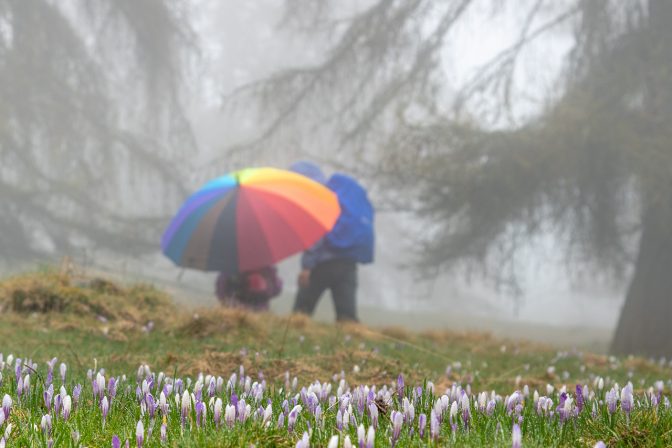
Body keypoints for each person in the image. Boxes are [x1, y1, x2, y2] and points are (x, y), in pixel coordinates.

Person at [289, 161, 375, 322]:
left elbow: (316, 235)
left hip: (323, 263)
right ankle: (355, 345)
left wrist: (307, 267)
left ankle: (287, 342)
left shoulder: (317, 199)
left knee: (300, 313)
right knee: (347, 317)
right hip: (348, 263)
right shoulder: (339, 196)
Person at [215, 265, 282, 312]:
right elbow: (221, 292)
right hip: (233, 312)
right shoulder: (231, 267)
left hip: (260, 312)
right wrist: (245, 284)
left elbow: (277, 288)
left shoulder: (267, 268)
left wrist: (266, 285)